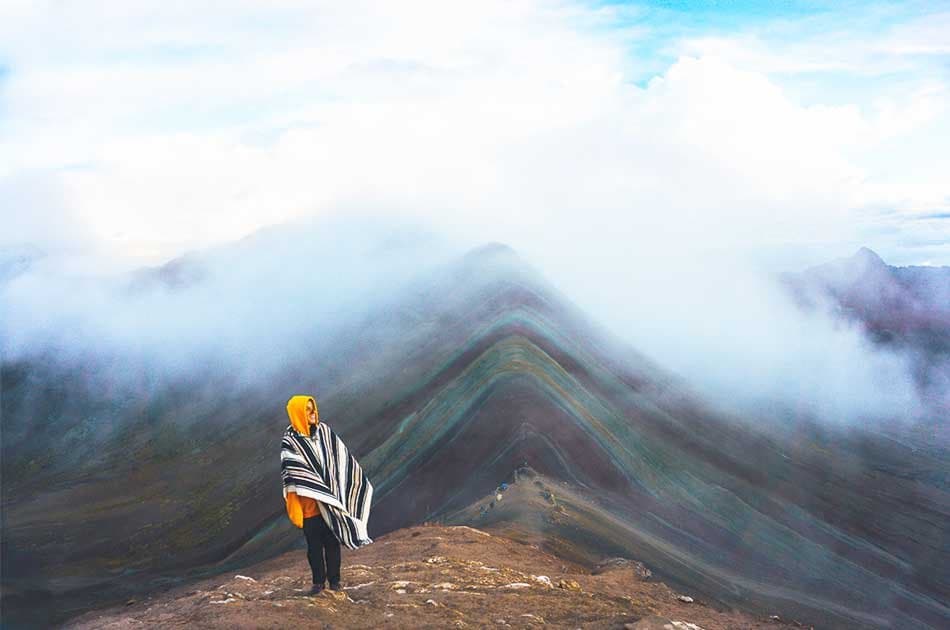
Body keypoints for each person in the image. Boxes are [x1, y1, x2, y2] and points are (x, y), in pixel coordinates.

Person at [281, 395, 374, 596]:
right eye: (306, 409)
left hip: (330, 505)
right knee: (314, 548)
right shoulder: (290, 442)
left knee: (332, 545)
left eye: (312, 408)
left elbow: (340, 462)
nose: (312, 413)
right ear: (297, 413)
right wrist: (300, 502)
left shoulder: (325, 433)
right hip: (309, 509)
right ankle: (318, 584)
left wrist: (342, 488)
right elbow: (292, 474)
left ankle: (335, 582)